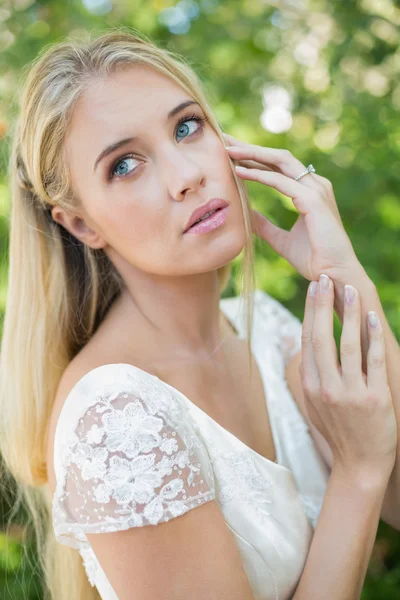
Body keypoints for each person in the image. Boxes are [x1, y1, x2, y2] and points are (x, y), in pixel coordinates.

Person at [0, 27, 397, 600]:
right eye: (125, 165)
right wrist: (358, 472)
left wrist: (348, 279)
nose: (188, 176)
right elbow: (371, 472)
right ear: (81, 223)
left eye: (187, 127)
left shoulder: (264, 327)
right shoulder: (116, 419)